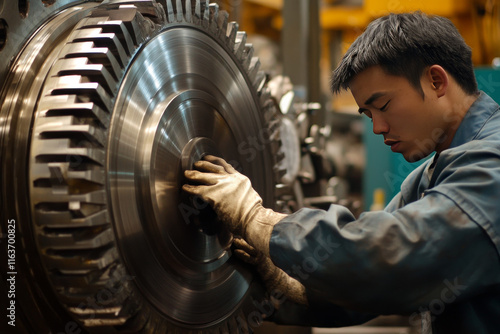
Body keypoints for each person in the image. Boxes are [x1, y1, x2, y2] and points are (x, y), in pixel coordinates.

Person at [183, 11, 500, 334]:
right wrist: (282, 283)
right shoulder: (426, 179)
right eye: (367, 113)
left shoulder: (493, 165)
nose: (377, 127)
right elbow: (367, 285)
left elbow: (391, 255)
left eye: (384, 106)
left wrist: (259, 220)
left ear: (436, 81)